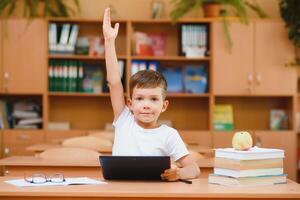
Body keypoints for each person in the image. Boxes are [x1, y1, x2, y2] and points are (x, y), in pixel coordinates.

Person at [103, 8, 200, 182]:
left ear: (164, 105)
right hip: (118, 191)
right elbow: (114, 82)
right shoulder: (124, 119)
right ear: (130, 103)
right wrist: (109, 42)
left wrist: (179, 173)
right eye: (140, 99)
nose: (146, 105)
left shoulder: (169, 135)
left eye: (154, 99)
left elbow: (194, 168)